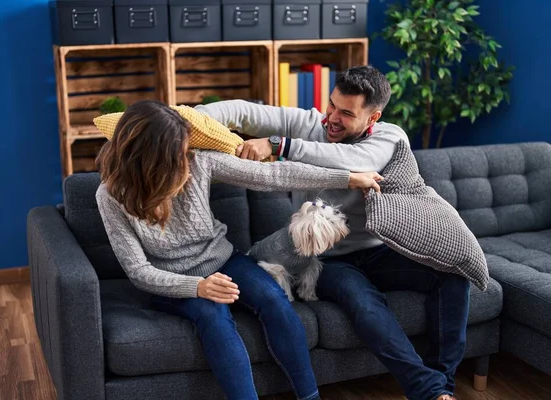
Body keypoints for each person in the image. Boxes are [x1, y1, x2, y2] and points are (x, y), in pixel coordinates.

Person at [194, 65, 469, 400]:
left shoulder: (390, 139)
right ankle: (429, 392)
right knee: (363, 304)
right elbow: (243, 111)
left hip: (381, 250)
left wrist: (279, 145)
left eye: (346, 113)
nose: (331, 119)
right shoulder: (310, 124)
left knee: (454, 274)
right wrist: (191, 120)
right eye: (331, 106)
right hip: (326, 260)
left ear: (373, 117)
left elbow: (347, 159)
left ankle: (442, 386)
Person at [94, 100, 384, 400]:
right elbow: (139, 272)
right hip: (175, 281)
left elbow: (272, 176)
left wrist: (346, 178)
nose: (186, 160)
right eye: (177, 155)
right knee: (214, 317)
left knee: (274, 300)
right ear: (151, 160)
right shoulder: (111, 196)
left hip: (223, 259)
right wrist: (199, 287)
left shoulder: (198, 162)